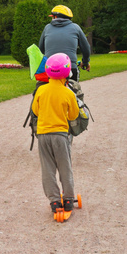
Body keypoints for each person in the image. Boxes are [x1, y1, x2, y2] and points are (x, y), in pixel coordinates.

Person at [31, 53, 80, 214]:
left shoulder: (41, 90)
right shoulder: (68, 93)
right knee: (65, 166)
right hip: (60, 135)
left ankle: (54, 200)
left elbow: (35, 111)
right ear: (67, 73)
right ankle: (68, 199)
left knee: (48, 168)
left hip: (43, 135)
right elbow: (73, 115)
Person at [38, 5, 91, 81]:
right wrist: (85, 62)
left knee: (47, 90)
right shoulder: (75, 28)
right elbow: (86, 49)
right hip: (69, 68)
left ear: (55, 17)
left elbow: (41, 49)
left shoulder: (47, 28)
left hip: (50, 69)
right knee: (73, 90)